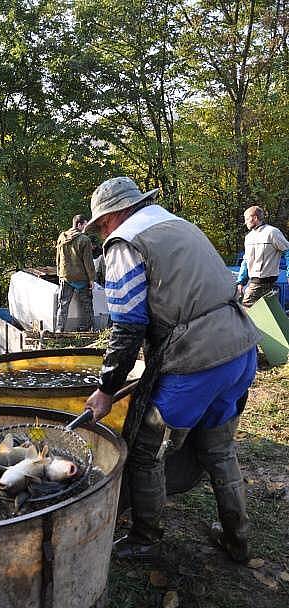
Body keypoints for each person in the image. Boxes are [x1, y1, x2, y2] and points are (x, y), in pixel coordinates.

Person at [84, 177, 260, 563]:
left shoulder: (124, 244)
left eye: (101, 226)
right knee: (219, 447)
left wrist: (106, 388)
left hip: (197, 363)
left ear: (113, 215)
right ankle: (238, 537)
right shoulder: (182, 225)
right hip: (241, 349)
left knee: (146, 448)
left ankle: (146, 537)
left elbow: (128, 326)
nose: (101, 233)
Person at [237, 206, 289, 307]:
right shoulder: (248, 237)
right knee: (266, 315)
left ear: (255, 218)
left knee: (244, 312)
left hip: (265, 282)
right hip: (255, 282)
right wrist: (240, 282)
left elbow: (288, 251)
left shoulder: (272, 232)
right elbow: (246, 261)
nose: (245, 222)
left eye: (247, 219)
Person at [55, 214, 96, 332]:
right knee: (87, 304)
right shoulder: (84, 240)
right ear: (79, 224)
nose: (86, 227)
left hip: (65, 276)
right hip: (81, 277)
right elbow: (88, 261)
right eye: (85, 224)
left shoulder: (62, 237)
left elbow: (58, 257)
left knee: (62, 305)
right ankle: (87, 329)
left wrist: (59, 273)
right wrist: (92, 279)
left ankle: (59, 329)